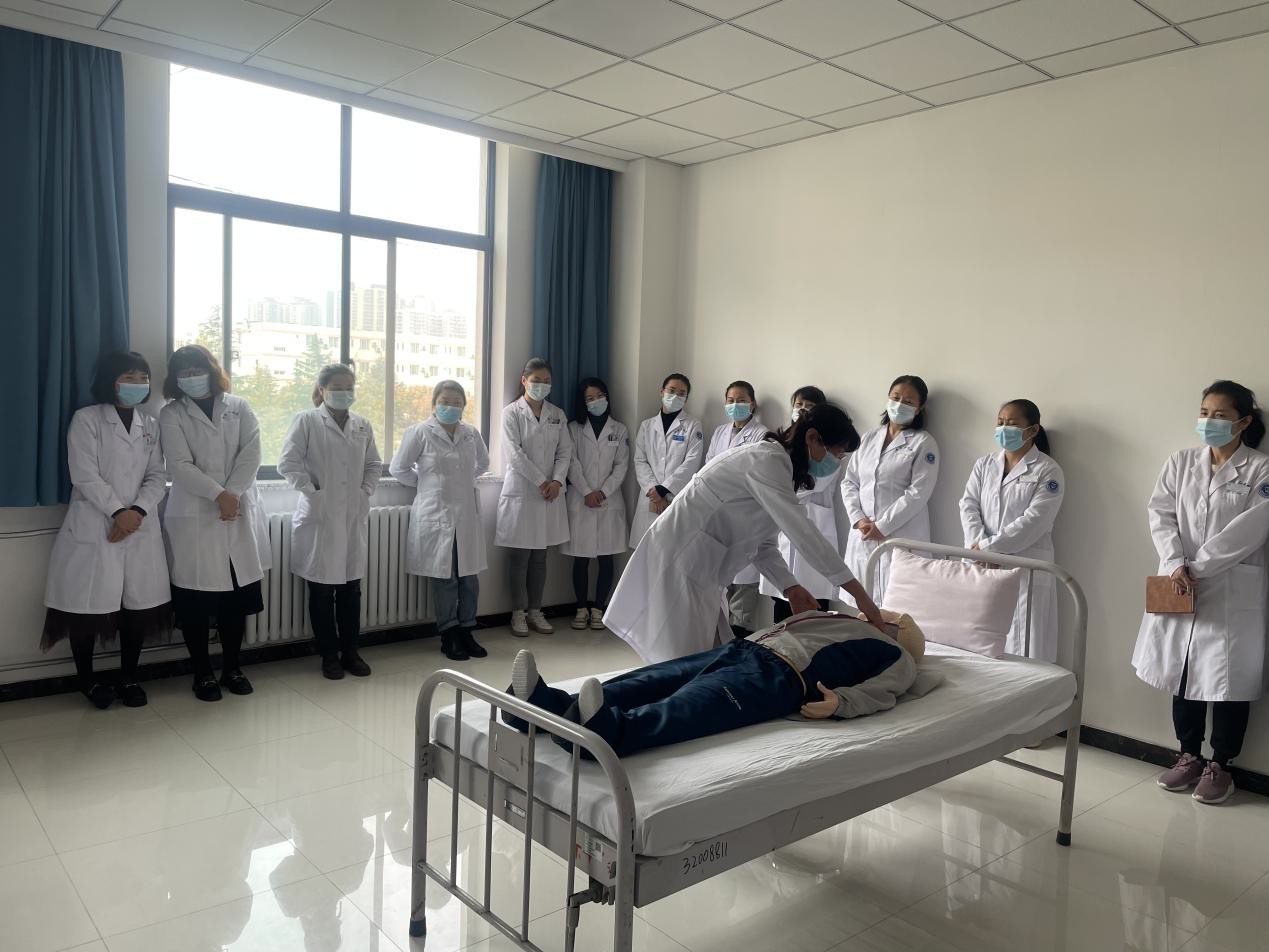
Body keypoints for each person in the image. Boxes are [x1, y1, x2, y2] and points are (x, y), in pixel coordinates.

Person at [606, 403, 887, 664]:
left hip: (701, 566)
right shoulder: (767, 461)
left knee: (706, 656)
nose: (837, 462)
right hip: (682, 559)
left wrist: (791, 587)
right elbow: (805, 536)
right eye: (837, 454)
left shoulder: (780, 471)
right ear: (812, 438)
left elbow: (763, 544)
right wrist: (862, 598)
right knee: (683, 664)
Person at [503, 610, 936, 759]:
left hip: (779, 677)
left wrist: (840, 702)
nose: (878, 612)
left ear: (899, 632)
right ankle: (543, 705)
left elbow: (884, 692)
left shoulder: (899, 657)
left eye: (891, 617)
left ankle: (607, 733)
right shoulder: (838, 616)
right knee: (651, 679)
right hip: (745, 648)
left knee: (691, 706)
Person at [1133, 380, 1269, 805]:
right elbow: (1160, 512)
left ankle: (1221, 765)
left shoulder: (1261, 470)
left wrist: (1197, 567)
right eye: (1205, 413)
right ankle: (1188, 754)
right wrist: (1176, 562)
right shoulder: (1181, 461)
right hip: (1176, 578)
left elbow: (1249, 530)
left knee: (1228, 679)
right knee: (1182, 668)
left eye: (1220, 415)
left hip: (1229, 585)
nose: (1209, 421)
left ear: (1243, 422)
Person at [42, 351, 172, 709]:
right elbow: (84, 474)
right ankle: (88, 680)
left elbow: (157, 475)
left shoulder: (151, 424)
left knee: (137, 608)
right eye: (128, 377)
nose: (137, 384)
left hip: (139, 524)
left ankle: (129, 677)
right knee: (86, 608)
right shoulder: (87, 419)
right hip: (96, 522)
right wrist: (118, 512)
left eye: (142, 377)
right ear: (110, 380)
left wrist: (137, 511)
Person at [160, 345, 268, 702]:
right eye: (183, 372)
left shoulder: (239, 406)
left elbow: (251, 453)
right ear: (175, 378)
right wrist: (218, 494)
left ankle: (232, 668)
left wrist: (232, 493)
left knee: (235, 601)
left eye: (197, 369)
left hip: (235, 511)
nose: (191, 377)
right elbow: (178, 464)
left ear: (211, 370)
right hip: (196, 514)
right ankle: (202, 674)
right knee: (195, 602)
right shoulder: (171, 413)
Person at [278, 364, 381, 680]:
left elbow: (374, 464)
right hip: (320, 518)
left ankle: (351, 652)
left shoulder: (362, 425)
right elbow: (288, 463)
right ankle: (328, 656)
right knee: (322, 592)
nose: (344, 393)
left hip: (351, 516)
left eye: (349, 387)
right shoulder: (307, 420)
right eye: (336, 387)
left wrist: (364, 492)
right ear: (321, 390)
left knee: (351, 589)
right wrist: (314, 492)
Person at [390, 380, 490, 661]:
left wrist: (461, 481)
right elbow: (398, 468)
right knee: (444, 577)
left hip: (466, 514)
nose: (451, 407)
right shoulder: (420, 432)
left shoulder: (470, 433)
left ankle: (467, 629)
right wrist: (427, 484)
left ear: (464, 406)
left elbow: (483, 463)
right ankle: (449, 633)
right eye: (445, 401)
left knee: (469, 578)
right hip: (436, 512)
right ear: (434, 404)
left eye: (457, 402)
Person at [959, 399, 1064, 662]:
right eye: (1000, 422)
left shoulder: (1048, 470)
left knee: (1026, 644)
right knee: (982, 641)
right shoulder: (984, 464)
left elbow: (1035, 521)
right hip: (982, 564)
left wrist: (988, 549)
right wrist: (979, 546)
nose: (1004, 428)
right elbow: (968, 505)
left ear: (1033, 430)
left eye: (1013, 423)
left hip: (1025, 568)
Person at [843, 375, 939, 604]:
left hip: (900, 534)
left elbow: (919, 492)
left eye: (908, 401)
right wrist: (858, 519)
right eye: (896, 398)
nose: (900, 404)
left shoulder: (924, 443)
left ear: (919, 407)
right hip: (863, 533)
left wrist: (883, 526)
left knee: (898, 608)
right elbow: (850, 482)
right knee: (863, 605)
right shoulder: (869, 438)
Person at [495, 358, 571, 637]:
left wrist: (557, 481)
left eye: (546, 381)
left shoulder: (557, 414)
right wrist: (542, 482)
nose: (541, 385)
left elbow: (565, 451)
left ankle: (536, 611)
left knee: (540, 557)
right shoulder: (511, 413)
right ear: (524, 380)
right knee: (520, 558)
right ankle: (518, 613)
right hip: (524, 491)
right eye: (536, 380)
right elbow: (514, 454)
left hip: (550, 494)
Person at [762, 386, 848, 622]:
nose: (802, 411)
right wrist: (780, 492)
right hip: (783, 526)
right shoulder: (781, 448)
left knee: (815, 603)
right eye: (798, 405)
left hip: (813, 522)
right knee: (782, 599)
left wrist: (781, 491)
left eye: (809, 407)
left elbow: (810, 485)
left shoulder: (829, 454)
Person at [561, 378, 629, 631]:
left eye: (599, 395)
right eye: (590, 398)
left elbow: (621, 466)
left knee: (606, 557)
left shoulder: (619, 429)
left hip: (609, 500)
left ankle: (599, 609)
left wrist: (603, 492)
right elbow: (570, 462)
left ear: (607, 397)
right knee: (580, 558)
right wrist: (587, 492)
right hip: (581, 499)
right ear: (583, 403)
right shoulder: (573, 429)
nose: (596, 401)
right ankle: (581, 609)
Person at [705, 380, 770, 636]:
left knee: (743, 584)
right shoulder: (720, 432)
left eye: (741, 400)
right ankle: (719, 639)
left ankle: (740, 638)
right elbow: (709, 466)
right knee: (720, 585)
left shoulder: (762, 434)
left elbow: (753, 474)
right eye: (731, 400)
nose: (735, 405)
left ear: (753, 403)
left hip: (744, 513)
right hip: (718, 510)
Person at [629, 373, 704, 547]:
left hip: (674, 495)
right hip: (650, 496)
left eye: (681, 393)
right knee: (645, 552)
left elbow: (692, 461)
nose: (676, 396)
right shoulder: (647, 425)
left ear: (686, 398)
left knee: (671, 551)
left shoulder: (693, 425)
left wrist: (664, 489)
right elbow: (640, 460)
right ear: (662, 392)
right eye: (671, 390)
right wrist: (654, 489)